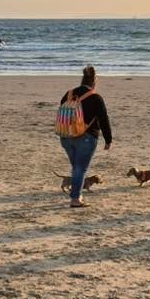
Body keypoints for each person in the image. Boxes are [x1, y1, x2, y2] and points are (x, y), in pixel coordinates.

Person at [58, 65, 112, 208]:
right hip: (86, 137)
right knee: (80, 168)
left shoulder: (68, 94)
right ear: (94, 81)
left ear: (82, 80)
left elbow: (63, 112)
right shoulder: (95, 97)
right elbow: (103, 119)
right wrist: (108, 139)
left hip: (66, 136)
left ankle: (77, 194)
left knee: (76, 167)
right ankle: (75, 199)